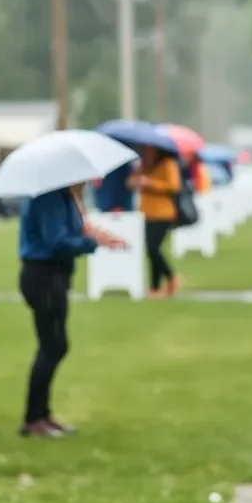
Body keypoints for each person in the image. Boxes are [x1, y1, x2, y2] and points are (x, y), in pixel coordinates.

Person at [18, 184, 122, 437]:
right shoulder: (49, 197)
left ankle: (42, 414)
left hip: (54, 275)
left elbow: (68, 233)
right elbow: (57, 242)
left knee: (55, 345)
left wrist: (92, 234)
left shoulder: (65, 197)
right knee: (53, 345)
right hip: (43, 275)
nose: (86, 182)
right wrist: (91, 242)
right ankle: (33, 418)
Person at [130, 146, 183, 298]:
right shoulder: (143, 165)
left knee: (153, 248)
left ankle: (171, 277)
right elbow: (131, 182)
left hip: (163, 213)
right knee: (151, 250)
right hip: (146, 213)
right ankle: (154, 288)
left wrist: (150, 183)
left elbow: (174, 186)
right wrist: (136, 181)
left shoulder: (168, 164)